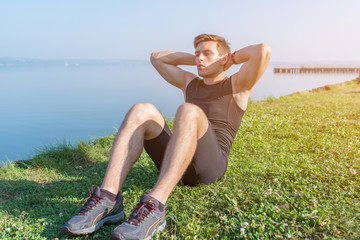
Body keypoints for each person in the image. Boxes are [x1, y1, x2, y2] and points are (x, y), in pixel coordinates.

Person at [62, 34, 271, 240]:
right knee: (141, 109)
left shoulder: (238, 86)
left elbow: (262, 50)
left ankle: (155, 206)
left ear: (223, 58)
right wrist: (202, 60)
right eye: (197, 54)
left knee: (189, 111)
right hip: (177, 162)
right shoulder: (190, 83)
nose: (199, 59)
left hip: (211, 167)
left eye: (207, 54)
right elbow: (157, 58)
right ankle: (108, 199)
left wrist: (227, 60)